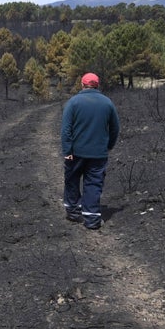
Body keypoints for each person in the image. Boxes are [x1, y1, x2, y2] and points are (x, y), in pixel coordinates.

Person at [61, 72, 120, 230]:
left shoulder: (73, 102)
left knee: (72, 179)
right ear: (97, 85)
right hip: (98, 153)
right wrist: (108, 145)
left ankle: (73, 211)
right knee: (93, 183)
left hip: (76, 152)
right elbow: (115, 128)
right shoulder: (107, 103)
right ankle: (92, 219)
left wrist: (67, 149)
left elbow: (66, 129)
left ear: (82, 84)